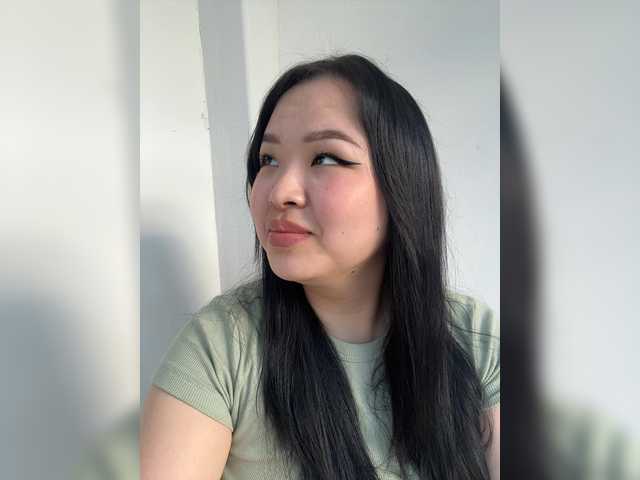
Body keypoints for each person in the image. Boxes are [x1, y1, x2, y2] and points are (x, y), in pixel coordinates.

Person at [141, 54, 500, 480]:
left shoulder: (474, 335)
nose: (280, 192)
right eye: (268, 160)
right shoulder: (223, 345)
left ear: (402, 184)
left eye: (326, 158)